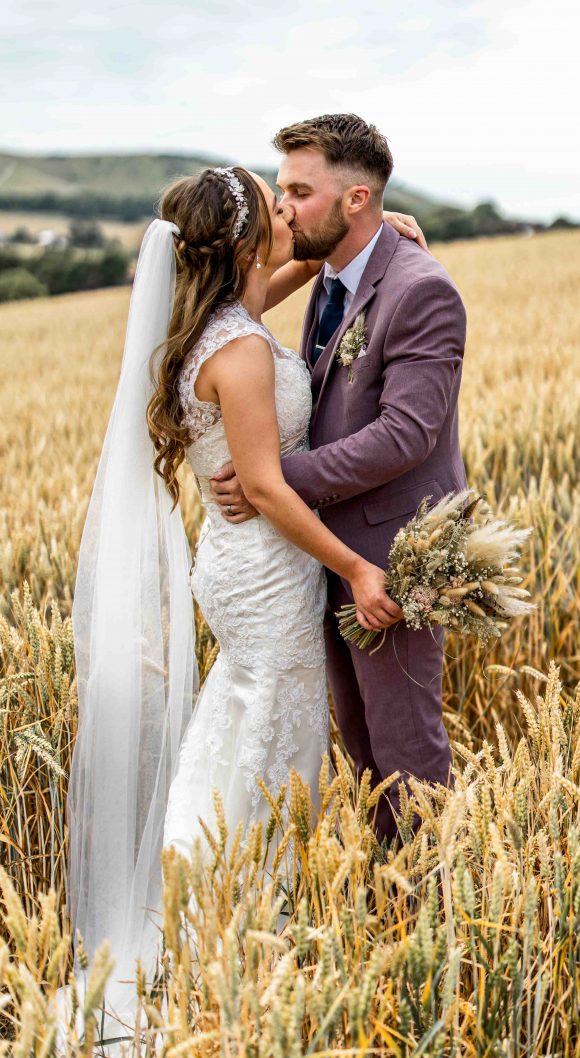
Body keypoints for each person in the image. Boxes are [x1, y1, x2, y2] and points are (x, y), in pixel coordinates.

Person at [62, 161, 423, 1058]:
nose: (288, 214)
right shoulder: (244, 349)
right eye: (275, 206)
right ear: (245, 239)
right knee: (273, 741)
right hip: (267, 570)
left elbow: (292, 271)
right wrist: (355, 567)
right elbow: (262, 483)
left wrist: (384, 228)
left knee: (241, 726)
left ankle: (207, 906)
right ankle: (225, 932)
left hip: (236, 567)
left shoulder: (221, 319)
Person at [210, 114, 468, 844]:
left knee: (407, 755)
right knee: (362, 753)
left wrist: (275, 482)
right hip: (320, 551)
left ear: (356, 200)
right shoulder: (324, 274)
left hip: (389, 559)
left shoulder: (420, 290)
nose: (284, 208)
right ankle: (389, 911)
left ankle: (435, 934)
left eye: (301, 190)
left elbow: (405, 435)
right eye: (281, 191)